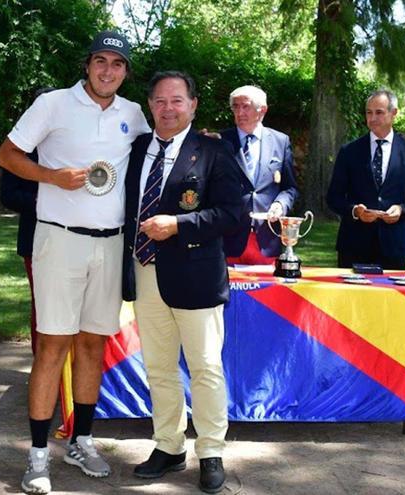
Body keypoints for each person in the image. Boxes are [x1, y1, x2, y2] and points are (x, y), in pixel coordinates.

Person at [0, 31, 150, 495]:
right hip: (59, 241)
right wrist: (50, 176)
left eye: (117, 64)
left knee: (91, 347)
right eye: (100, 61)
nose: (108, 71)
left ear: (125, 72)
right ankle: (38, 456)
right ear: (87, 65)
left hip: (111, 243)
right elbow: (7, 155)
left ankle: (82, 440)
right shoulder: (53, 103)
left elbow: (160, 150)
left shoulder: (133, 113)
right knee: (52, 347)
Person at [122, 71, 244, 494]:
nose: (167, 109)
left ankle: (211, 451)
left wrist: (179, 223)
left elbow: (235, 215)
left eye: (177, 101)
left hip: (196, 276)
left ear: (193, 105)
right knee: (157, 366)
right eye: (159, 101)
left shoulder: (214, 151)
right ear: (149, 105)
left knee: (205, 367)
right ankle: (169, 446)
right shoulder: (136, 149)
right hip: (145, 271)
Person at [325, 89, 405, 269]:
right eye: (369, 112)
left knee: (390, 298)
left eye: (379, 112)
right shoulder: (349, 152)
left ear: (393, 113)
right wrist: (355, 211)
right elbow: (333, 197)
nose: (372, 118)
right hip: (354, 246)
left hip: (393, 247)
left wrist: (402, 209)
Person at [0, 89, 55, 357]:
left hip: (81, 240)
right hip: (35, 241)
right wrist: (45, 201)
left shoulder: (75, 142)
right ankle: (43, 370)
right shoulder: (19, 147)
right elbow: (8, 196)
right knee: (43, 310)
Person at [220, 85, 299, 264]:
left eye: (245, 106)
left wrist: (280, 204)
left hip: (267, 238)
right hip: (228, 238)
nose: (239, 112)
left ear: (262, 110)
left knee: (266, 291)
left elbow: (290, 188)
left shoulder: (280, 141)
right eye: (235, 106)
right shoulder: (220, 141)